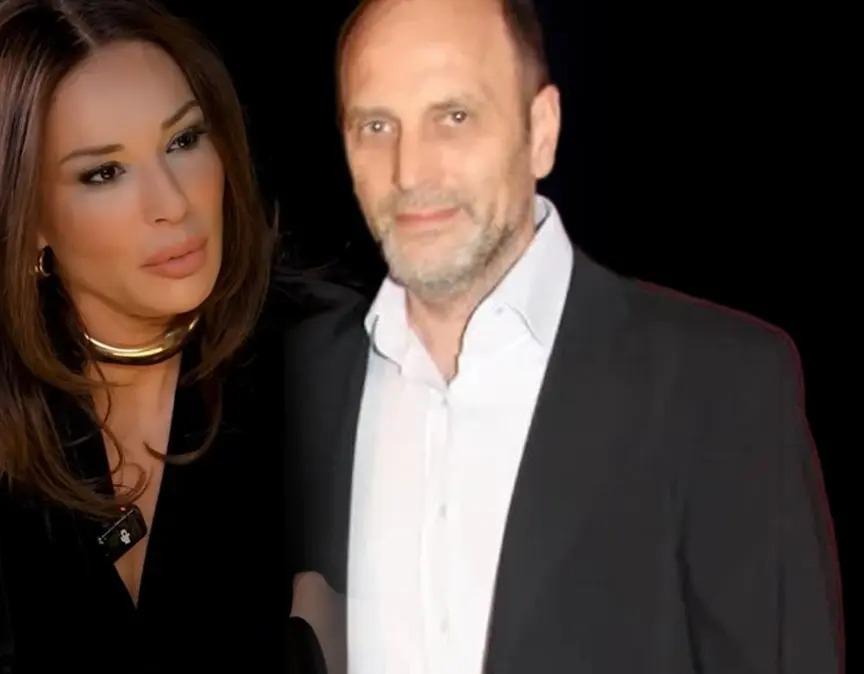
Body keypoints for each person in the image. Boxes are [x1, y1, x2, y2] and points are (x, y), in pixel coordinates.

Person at [284, 0, 844, 672]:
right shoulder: (302, 377)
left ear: (542, 130)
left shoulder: (721, 387)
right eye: (376, 125)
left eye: (454, 116)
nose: (409, 171)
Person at [0, 1, 294, 671]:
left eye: (184, 141)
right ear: (26, 216)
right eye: (104, 173)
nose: (173, 203)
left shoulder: (317, 353)